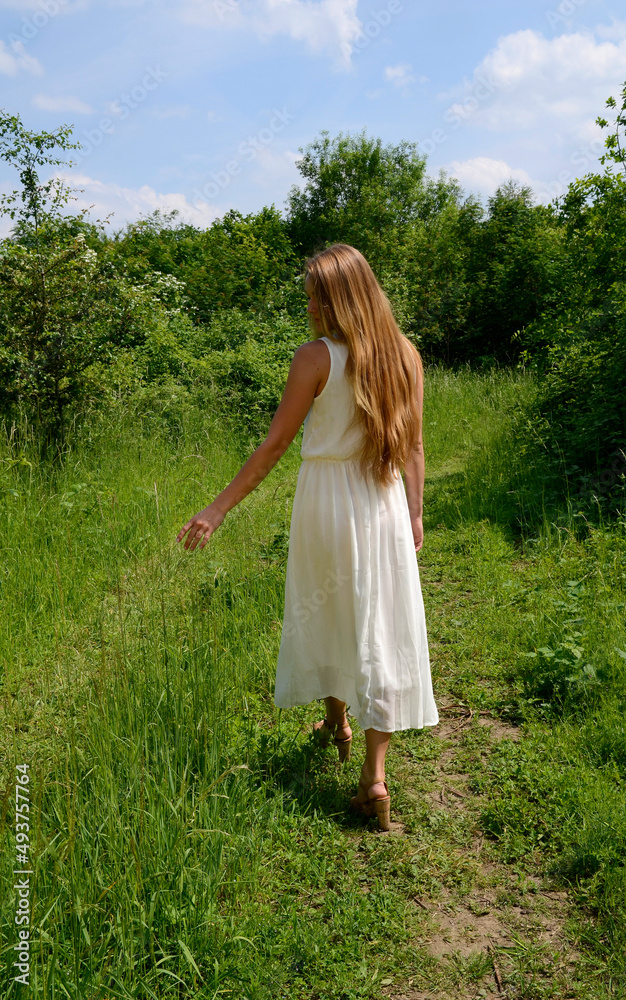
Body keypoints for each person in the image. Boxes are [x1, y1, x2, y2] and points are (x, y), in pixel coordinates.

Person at [177, 244, 439, 831]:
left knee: (329, 612)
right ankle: (371, 771)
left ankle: (339, 724)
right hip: (384, 502)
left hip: (326, 502)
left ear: (341, 298)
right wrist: (415, 515)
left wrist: (217, 509)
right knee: (380, 624)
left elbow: (274, 445)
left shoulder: (315, 357)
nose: (310, 307)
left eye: (316, 297)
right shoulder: (406, 355)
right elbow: (415, 445)